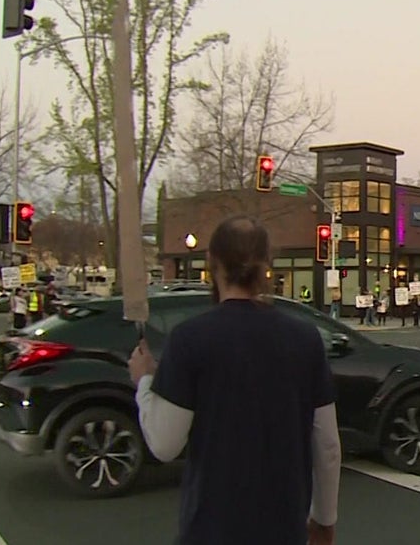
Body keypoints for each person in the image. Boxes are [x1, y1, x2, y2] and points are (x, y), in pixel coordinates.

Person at [128, 215, 341, 545]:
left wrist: (144, 382)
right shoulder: (305, 338)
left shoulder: (189, 339)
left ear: (211, 262)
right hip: (284, 529)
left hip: (210, 530)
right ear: (267, 263)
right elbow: (326, 444)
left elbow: (164, 444)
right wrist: (324, 521)